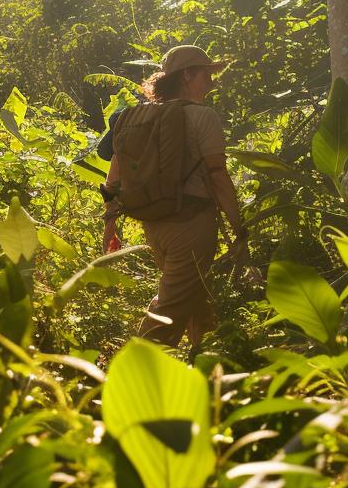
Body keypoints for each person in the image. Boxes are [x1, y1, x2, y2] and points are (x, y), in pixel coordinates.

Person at [101, 45, 246, 349]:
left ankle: (203, 358)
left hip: (155, 225)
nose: (211, 81)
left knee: (194, 294)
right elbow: (218, 175)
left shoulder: (141, 117)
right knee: (169, 309)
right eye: (205, 73)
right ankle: (134, 370)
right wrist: (239, 227)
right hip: (190, 224)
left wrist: (110, 221)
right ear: (187, 76)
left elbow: (115, 173)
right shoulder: (203, 117)